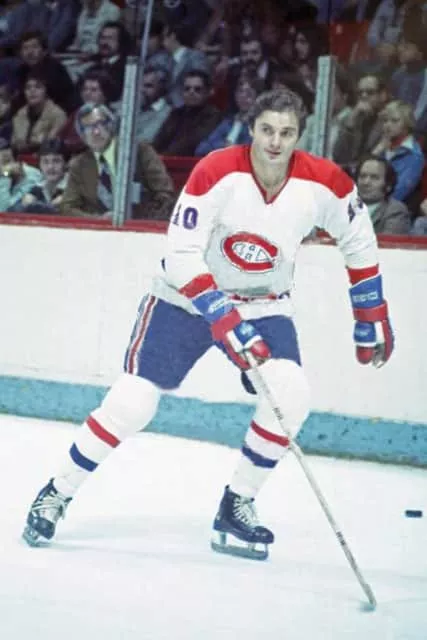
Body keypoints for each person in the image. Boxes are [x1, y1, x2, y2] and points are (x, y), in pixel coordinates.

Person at [22, 89, 395, 560]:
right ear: (251, 127)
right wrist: (222, 315)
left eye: (287, 133)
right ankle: (58, 490)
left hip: (263, 303)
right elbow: (181, 253)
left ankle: (237, 503)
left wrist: (371, 310)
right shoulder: (217, 170)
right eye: (266, 130)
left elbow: (359, 240)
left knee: (291, 392)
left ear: (300, 135)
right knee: (132, 402)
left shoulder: (325, 182)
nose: (275, 142)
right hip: (186, 300)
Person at [60, 102, 175, 220]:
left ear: (110, 125)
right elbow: (67, 208)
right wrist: (99, 220)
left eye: (100, 124)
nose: (96, 132)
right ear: (82, 135)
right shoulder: (79, 165)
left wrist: (139, 224)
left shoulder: (138, 150)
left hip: (140, 225)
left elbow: (164, 194)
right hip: (99, 229)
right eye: (89, 128)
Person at [355, 154, 412, 234]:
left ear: (388, 186)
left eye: (374, 178)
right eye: (362, 176)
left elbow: (389, 241)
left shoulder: (396, 211)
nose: (366, 182)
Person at [20, 138, 68, 213]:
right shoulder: (37, 188)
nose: (50, 167)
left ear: (66, 163)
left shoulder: (75, 188)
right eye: (45, 162)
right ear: (39, 165)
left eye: (56, 161)